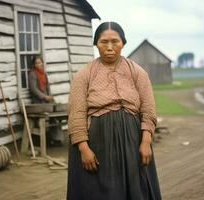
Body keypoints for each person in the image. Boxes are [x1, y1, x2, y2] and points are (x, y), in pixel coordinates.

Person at [67, 22, 161, 200]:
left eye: (115, 41)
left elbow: (148, 109)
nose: (109, 47)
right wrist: (84, 148)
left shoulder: (137, 72)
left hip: (133, 142)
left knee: (136, 189)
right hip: (97, 143)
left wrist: (146, 142)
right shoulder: (84, 75)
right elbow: (76, 114)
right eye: (104, 42)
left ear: (123, 43)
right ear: (96, 44)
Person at [29, 56, 64, 146]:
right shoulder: (32, 74)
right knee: (47, 116)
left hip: (46, 100)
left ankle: (57, 139)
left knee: (56, 116)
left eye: (40, 62)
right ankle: (46, 140)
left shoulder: (44, 74)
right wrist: (44, 97)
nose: (38, 64)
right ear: (34, 65)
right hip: (38, 101)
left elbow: (48, 87)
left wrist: (50, 97)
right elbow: (33, 89)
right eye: (36, 63)